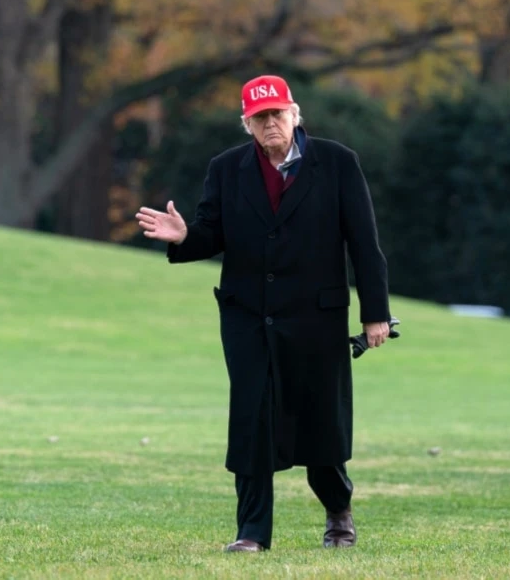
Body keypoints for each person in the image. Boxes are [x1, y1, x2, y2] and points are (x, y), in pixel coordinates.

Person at [135, 75, 391, 553]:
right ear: (246, 123)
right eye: (260, 117)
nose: (270, 123)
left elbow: (364, 243)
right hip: (248, 318)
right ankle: (251, 533)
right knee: (252, 422)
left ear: (295, 113)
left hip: (317, 318)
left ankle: (339, 514)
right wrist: (184, 236)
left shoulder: (337, 163)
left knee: (322, 424)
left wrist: (375, 314)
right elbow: (213, 233)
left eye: (277, 113)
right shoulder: (227, 168)